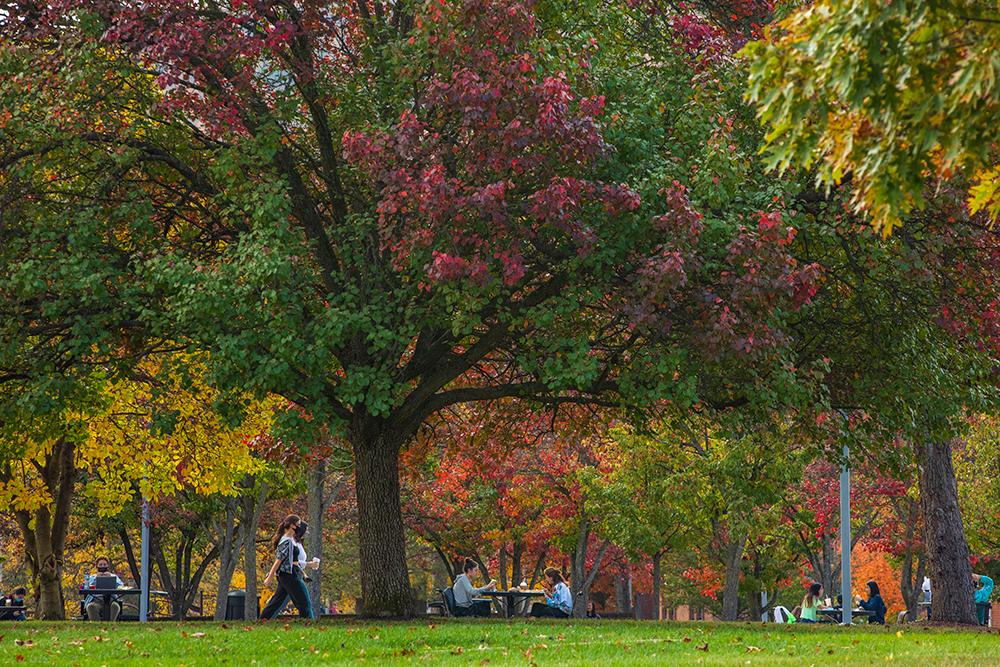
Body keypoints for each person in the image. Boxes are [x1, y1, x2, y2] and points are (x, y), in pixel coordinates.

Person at [260, 514, 319, 620]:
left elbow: (292, 561)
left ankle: (263, 620)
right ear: (292, 525)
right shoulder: (286, 540)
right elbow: (279, 560)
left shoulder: (292, 540)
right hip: (289, 575)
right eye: (299, 524)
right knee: (304, 602)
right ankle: (308, 624)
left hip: (292, 573)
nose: (301, 527)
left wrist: (303, 571)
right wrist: (270, 576)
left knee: (277, 601)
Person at [84, 556, 125, 621]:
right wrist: (96, 579)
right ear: (97, 566)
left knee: (115, 606)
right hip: (96, 601)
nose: (102, 566)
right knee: (90, 607)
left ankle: (111, 626)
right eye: (100, 565)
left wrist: (110, 578)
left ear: (107, 565)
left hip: (111, 600)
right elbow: (86, 587)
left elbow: (121, 586)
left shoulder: (113, 576)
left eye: (104, 564)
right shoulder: (92, 577)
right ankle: (97, 627)